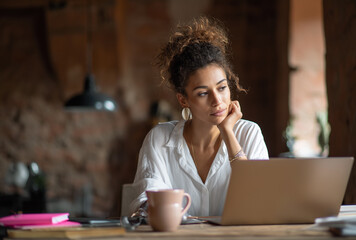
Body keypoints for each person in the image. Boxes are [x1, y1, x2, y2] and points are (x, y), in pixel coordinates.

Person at [129, 17, 269, 217]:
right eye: (203, 93)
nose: (217, 101)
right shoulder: (159, 139)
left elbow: (260, 200)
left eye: (222, 88)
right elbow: (146, 203)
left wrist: (228, 132)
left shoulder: (249, 133)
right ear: (183, 100)